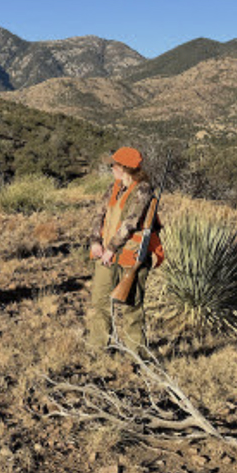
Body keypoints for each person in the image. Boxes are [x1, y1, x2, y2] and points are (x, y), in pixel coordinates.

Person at [87, 147, 163, 355]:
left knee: (131, 308)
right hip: (105, 254)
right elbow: (98, 215)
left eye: (115, 165)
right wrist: (95, 242)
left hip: (130, 257)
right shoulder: (114, 187)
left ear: (125, 169)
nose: (112, 168)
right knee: (100, 303)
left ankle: (137, 356)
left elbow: (130, 223)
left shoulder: (143, 190)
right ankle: (98, 349)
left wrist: (111, 248)